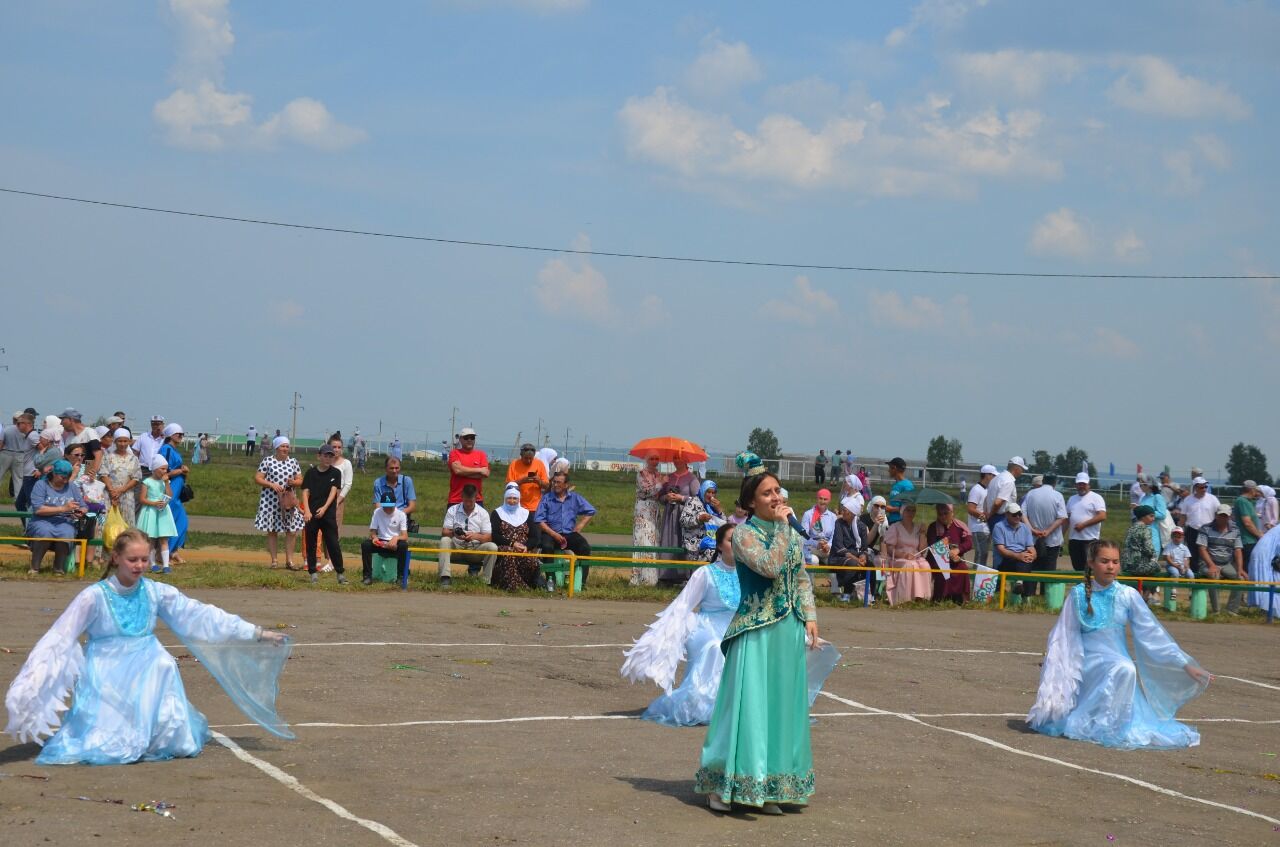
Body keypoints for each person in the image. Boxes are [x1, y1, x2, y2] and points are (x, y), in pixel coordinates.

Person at [4, 528, 291, 764]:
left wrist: (256, 633)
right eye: (133, 560)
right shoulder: (93, 596)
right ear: (116, 558)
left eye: (144, 559)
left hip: (146, 661)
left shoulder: (156, 591)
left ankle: (159, 734)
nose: (140, 566)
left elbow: (199, 615)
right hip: (107, 667)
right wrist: (32, 684)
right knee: (107, 746)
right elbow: (60, 636)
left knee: (163, 663)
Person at [695, 454, 819, 813]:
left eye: (777, 490)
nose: (776, 497)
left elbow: (798, 576)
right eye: (767, 493)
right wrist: (783, 527)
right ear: (751, 502)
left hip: (787, 630)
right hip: (755, 632)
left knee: (782, 710)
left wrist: (810, 616)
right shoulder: (744, 534)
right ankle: (723, 784)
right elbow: (770, 566)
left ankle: (770, 786)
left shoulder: (788, 533)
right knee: (747, 711)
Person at [1027, 539, 1212, 748]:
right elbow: (1064, 634)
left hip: (1117, 660)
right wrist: (1056, 663)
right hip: (1086, 665)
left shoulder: (1127, 595)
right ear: (1091, 563)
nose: (1110, 567)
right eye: (1104, 561)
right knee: (1124, 669)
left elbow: (1152, 633)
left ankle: (1114, 724)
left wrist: (1184, 664)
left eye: (1115, 562)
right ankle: (1099, 723)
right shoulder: (1078, 595)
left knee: (1124, 668)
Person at [534, 472, 596, 586]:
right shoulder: (546, 498)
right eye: (554, 482)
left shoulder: (575, 498)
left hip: (569, 533)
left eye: (558, 482)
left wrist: (580, 525)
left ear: (566, 485)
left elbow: (591, 511)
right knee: (547, 547)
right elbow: (539, 520)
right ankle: (551, 581)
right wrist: (553, 534)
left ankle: (580, 583)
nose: (555, 485)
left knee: (585, 548)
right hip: (550, 533)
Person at [25, 459, 86, 575]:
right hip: (42, 520)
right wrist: (62, 508)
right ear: (54, 474)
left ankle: (58, 568)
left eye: (68, 477)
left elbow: (83, 506)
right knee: (44, 531)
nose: (65, 480)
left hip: (64, 521)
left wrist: (80, 511)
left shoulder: (71, 486)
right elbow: (38, 509)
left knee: (67, 532)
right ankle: (35, 567)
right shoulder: (41, 485)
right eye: (63, 477)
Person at [253, 436, 304, 570]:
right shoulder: (268, 461)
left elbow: (300, 479)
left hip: (288, 501)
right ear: (276, 448)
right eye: (282, 446)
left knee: (291, 531)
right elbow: (258, 478)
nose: (285, 449)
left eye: (287, 446)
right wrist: (271, 484)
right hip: (271, 500)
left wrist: (294, 482)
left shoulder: (293, 462)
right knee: (272, 530)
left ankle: (290, 561)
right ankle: (274, 560)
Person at [301, 444, 347, 585]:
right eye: (325, 455)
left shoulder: (335, 473)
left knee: (333, 543)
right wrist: (307, 511)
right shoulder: (311, 473)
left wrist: (325, 508)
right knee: (311, 543)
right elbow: (305, 492)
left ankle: (340, 573)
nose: (328, 458)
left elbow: (334, 492)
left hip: (327, 514)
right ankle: (313, 572)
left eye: (330, 456)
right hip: (312, 513)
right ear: (319, 456)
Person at [439, 483, 498, 586]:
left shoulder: (483, 513)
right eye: (466, 500)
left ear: (476, 498)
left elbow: (488, 537)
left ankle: (486, 581)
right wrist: (454, 533)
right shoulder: (452, 510)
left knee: (492, 547)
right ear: (461, 497)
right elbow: (444, 532)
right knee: (445, 540)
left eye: (471, 501)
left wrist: (475, 536)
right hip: (456, 548)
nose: (468, 503)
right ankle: (445, 577)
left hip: (475, 550)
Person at [1022, 472, 1068, 595]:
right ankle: (1045, 596)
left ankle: (1029, 596)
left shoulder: (1031, 494)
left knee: (1032, 568)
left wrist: (1032, 529)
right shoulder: (1058, 495)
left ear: (1043, 481)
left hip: (1032, 539)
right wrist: (1048, 531)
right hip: (1052, 540)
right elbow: (1062, 517)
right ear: (1055, 482)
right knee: (1049, 570)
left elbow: (1023, 514)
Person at [657, 457, 700, 584]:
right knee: (669, 540)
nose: (676, 461)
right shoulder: (668, 477)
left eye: (679, 458)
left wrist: (681, 497)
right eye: (674, 458)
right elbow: (660, 498)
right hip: (670, 515)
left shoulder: (692, 478)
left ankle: (683, 575)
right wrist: (667, 497)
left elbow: (698, 499)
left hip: (684, 515)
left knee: (683, 541)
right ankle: (666, 575)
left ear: (686, 460)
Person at [1195, 504, 1245, 615]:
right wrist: (1211, 565)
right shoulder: (1205, 528)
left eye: (1225, 516)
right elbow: (1202, 549)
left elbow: (1238, 550)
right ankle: (1216, 611)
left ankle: (1232, 610)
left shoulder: (1235, 530)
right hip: (1207, 563)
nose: (1223, 518)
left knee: (1240, 579)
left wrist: (1240, 569)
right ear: (1216, 515)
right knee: (1214, 576)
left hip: (1226, 563)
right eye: (1221, 515)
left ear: (1230, 517)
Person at [372, 457, 417, 578]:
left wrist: (397, 514)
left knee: (401, 542)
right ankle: (380, 567)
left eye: (397, 468)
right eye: (391, 468)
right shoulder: (378, 483)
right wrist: (388, 513)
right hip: (383, 514)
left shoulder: (407, 481)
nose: (394, 471)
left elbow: (412, 506)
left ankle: (401, 571)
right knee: (376, 536)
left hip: (401, 516)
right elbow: (377, 506)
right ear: (386, 469)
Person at [491, 482, 539, 591]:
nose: (512, 501)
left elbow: (535, 537)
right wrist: (512, 544)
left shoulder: (526, 514)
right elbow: (494, 535)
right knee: (509, 554)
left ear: (519, 499)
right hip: (504, 547)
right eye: (509, 498)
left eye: (515, 498)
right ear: (505, 498)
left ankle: (530, 584)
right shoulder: (497, 513)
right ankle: (515, 587)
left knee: (532, 561)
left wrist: (526, 546)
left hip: (523, 548)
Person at [883, 501, 931, 605]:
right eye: (908, 510)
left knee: (925, 565)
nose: (910, 513)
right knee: (909, 565)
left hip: (916, 557)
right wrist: (904, 555)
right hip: (898, 557)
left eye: (913, 510)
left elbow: (922, 550)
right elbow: (890, 549)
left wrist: (923, 534)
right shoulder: (895, 527)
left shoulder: (918, 527)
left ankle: (922, 597)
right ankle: (905, 598)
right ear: (902, 512)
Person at [318, 435, 354, 573]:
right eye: (334, 447)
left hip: (338, 499)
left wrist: (339, 500)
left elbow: (348, 484)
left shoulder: (346, 464)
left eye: (339, 447)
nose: (337, 450)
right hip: (322, 498)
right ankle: (326, 558)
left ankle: (332, 562)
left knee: (334, 531)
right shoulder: (326, 462)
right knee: (322, 531)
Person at [136, 457, 178, 573]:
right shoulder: (147, 482)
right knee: (151, 539)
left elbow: (169, 495)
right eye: (162, 469)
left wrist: (166, 483)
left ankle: (165, 565)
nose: (165, 471)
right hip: (151, 511)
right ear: (155, 469)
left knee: (164, 538)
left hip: (162, 511)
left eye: (166, 469)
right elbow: (142, 499)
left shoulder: (165, 481)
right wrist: (153, 503)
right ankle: (153, 563)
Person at [926, 502, 973, 603]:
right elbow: (932, 544)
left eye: (945, 513)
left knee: (963, 568)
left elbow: (969, 543)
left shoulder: (960, 526)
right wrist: (948, 554)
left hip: (956, 558)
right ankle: (940, 599)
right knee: (943, 570)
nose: (943, 516)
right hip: (937, 559)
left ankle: (963, 599)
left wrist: (958, 550)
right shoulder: (933, 527)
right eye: (940, 514)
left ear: (952, 513)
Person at [360, 490, 409, 586]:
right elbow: (373, 531)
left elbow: (405, 536)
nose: (387, 509)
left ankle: (401, 577)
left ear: (395, 504)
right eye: (385, 506)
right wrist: (374, 538)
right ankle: (367, 576)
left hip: (394, 543)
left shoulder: (401, 514)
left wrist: (396, 538)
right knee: (365, 545)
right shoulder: (377, 512)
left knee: (403, 546)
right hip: (381, 542)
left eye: (390, 506)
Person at [630, 453, 665, 586]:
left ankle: (652, 577)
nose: (655, 461)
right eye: (652, 458)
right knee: (643, 540)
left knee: (654, 540)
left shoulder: (659, 474)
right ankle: (639, 577)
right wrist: (661, 484)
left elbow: (659, 494)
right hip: (643, 508)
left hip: (655, 509)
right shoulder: (641, 474)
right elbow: (646, 491)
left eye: (657, 458)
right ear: (646, 459)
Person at [982, 457, 1027, 557]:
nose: (1022, 472)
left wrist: (987, 513)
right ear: (1017, 468)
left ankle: (998, 569)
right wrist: (990, 514)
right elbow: (998, 502)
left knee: (998, 547)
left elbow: (986, 499)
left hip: (994, 517)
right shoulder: (1008, 481)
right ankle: (1002, 570)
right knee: (1005, 549)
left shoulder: (997, 478)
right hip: (1001, 517)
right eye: (1022, 469)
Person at [158, 423, 190, 563]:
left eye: (182, 434)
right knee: (169, 520)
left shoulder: (174, 450)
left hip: (178, 488)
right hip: (170, 488)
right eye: (178, 434)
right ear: (171, 435)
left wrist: (183, 472)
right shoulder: (166, 449)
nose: (181, 436)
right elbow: (161, 469)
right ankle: (165, 553)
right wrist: (178, 471)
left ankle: (174, 550)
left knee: (182, 521)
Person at [98, 428, 142, 527]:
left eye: (125, 441)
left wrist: (121, 490)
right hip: (109, 494)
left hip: (126, 494)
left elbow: (136, 478)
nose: (122, 444)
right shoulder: (108, 457)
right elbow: (103, 475)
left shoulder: (133, 459)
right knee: (107, 522)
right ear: (115, 441)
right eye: (120, 441)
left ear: (129, 442)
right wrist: (113, 492)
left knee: (127, 522)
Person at [993, 503, 1038, 598]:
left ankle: (1020, 583)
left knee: (1026, 561)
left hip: (1022, 558)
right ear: (1007, 514)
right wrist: (1018, 556)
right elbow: (1001, 550)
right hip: (1005, 560)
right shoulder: (999, 527)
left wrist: (1032, 555)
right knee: (1026, 565)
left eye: (1019, 514)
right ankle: (1027, 598)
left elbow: (1031, 547)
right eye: (1014, 514)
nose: (1017, 516)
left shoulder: (1025, 528)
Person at [829, 496, 869, 601]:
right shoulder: (839, 523)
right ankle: (843, 588)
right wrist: (857, 559)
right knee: (853, 564)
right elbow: (839, 547)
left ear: (851, 513)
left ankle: (871, 596)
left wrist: (863, 557)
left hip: (856, 557)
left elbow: (864, 548)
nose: (842, 512)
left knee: (870, 565)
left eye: (844, 510)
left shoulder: (862, 527)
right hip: (838, 557)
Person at [1066, 472, 1107, 571]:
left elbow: (1102, 515)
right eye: (1079, 484)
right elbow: (1067, 519)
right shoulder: (1072, 499)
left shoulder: (1096, 498)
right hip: (1074, 540)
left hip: (1089, 540)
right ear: (1076, 485)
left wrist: (1083, 525)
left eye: (1083, 484)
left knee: (1090, 568)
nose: (1081, 486)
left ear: (1088, 484)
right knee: (1077, 568)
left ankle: (1090, 586)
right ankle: (1080, 586)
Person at [680, 479, 727, 563]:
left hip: (711, 543)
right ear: (703, 491)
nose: (711, 495)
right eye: (708, 492)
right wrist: (699, 519)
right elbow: (683, 521)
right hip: (695, 545)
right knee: (715, 556)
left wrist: (719, 511)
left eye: (713, 493)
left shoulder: (712, 506)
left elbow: (725, 526)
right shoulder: (693, 502)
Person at [857, 495, 890, 602]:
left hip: (870, 549)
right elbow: (866, 542)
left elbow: (883, 541)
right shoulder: (863, 519)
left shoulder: (884, 520)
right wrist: (876, 525)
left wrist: (883, 556)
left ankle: (880, 589)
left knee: (883, 561)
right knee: (872, 559)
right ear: (871, 506)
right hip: (860, 548)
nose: (880, 509)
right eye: (877, 506)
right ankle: (870, 591)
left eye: (883, 507)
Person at [1122, 506, 1162, 590]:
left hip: (1126, 565)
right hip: (1137, 566)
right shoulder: (1145, 529)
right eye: (1151, 516)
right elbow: (1149, 549)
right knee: (1157, 567)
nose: (1153, 518)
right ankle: (1146, 597)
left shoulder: (1131, 528)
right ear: (1143, 516)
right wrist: (1154, 558)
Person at [447, 427, 489, 505]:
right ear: (460, 439)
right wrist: (479, 470)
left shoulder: (481, 454)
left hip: (476, 500)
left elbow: (485, 473)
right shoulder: (454, 453)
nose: (469, 440)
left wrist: (463, 472)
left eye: (472, 438)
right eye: (466, 438)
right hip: (456, 499)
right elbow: (458, 470)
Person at [1179, 477, 1219, 557]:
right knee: (1192, 553)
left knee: (1209, 553)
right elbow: (1183, 516)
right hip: (1192, 531)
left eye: (1205, 487)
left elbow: (1218, 513)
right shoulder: (1188, 500)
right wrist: (1180, 530)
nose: (1204, 489)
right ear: (1195, 488)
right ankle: (1194, 569)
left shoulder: (1213, 499)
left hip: (1209, 531)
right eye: (1201, 487)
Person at [1233, 480, 1267, 573]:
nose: (1256, 492)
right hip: (1247, 540)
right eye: (1255, 490)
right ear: (1251, 490)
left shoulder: (1248, 502)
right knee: (1247, 566)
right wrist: (1259, 535)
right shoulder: (1242, 501)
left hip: (1250, 539)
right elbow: (1247, 523)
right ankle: (1246, 585)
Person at [1, 411, 34, 503]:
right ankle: (17, 499)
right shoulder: (24, 432)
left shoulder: (7, 429)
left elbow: (1, 443)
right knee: (18, 478)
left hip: (6, 453)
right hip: (20, 454)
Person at [799, 488, 836, 567]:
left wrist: (828, 545)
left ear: (829, 501)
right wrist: (817, 544)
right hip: (812, 548)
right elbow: (803, 536)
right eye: (820, 498)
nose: (822, 501)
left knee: (834, 562)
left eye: (825, 499)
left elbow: (834, 536)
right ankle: (809, 580)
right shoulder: (808, 514)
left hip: (827, 549)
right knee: (814, 560)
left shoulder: (833, 517)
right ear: (817, 499)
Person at [1164, 526, 1193, 599]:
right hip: (1171, 565)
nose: (1177, 538)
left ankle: (1191, 592)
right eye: (1175, 536)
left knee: (1190, 574)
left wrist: (1186, 566)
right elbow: (1167, 558)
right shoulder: (1169, 546)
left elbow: (1187, 558)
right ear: (1171, 537)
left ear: (1183, 537)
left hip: (1182, 566)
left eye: (1179, 537)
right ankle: (1173, 591)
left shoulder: (1184, 547)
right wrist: (1175, 565)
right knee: (1175, 573)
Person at [885, 457, 913, 524]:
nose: (888, 470)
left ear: (894, 468)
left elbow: (909, 507)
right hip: (892, 521)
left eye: (889, 468)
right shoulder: (896, 484)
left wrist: (891, 509)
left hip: (901, 522)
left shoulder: (907, 485)